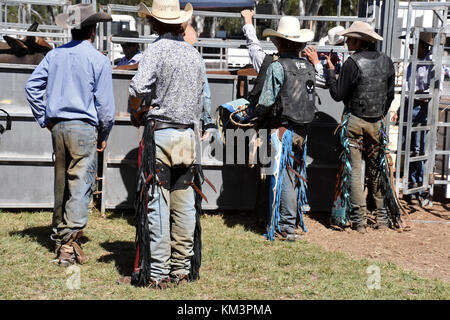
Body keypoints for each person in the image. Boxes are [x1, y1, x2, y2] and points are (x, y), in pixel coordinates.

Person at [123, 0, 205, 289]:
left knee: (157, 204)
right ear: (180, 23)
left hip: (161, 134)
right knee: (184, 205)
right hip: (188, 137)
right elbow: (199, 99)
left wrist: (137, 111)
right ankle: (182, 267)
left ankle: (157, 271)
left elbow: (137, 88)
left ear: (155, 23)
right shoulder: (194, 55)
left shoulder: (156, 50)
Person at [25, 4, 115, 265]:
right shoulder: (98, 59)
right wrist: (103, 133)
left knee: (61, 184)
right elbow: (106, 108)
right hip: (84, 127)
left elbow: (32, 86)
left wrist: (45, 119)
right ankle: (68, 245)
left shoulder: (54, 56)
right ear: (93, 31)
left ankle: (59, 235)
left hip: (58, 127)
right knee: (80, 184)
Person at [325, 21, 396, 233]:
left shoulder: (352, 63)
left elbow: (338, 94)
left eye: (349, 39)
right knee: (377, 170)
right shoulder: (387, 61)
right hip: (377, 121)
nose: (346, 42)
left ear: (359, 41)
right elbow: (390, 95)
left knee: (355, 171)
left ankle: (359, 221)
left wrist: (330, 72)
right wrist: (381, 113)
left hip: (355, 120)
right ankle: (382, 218)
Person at [254, 16, 318, 242]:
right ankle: (288, 222)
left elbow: (266, 100)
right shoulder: (309, 67)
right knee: (293, 176)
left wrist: (253, 114)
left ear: (279, 43)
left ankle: (283, 225)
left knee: (282, 177)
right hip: (302, 129)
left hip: (282, 129)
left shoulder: (277, 67)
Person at [391, 32, 435, 206]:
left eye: (413, 44)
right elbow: (409, 88)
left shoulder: (429, 63)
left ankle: (419, 187)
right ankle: (412, 185)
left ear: (423, 46)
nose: (409, 47)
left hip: (421, 107)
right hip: (411, 106)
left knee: (418, 147)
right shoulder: (413, 62)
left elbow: (429, 90)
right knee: (408, 146)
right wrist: (401, 109)